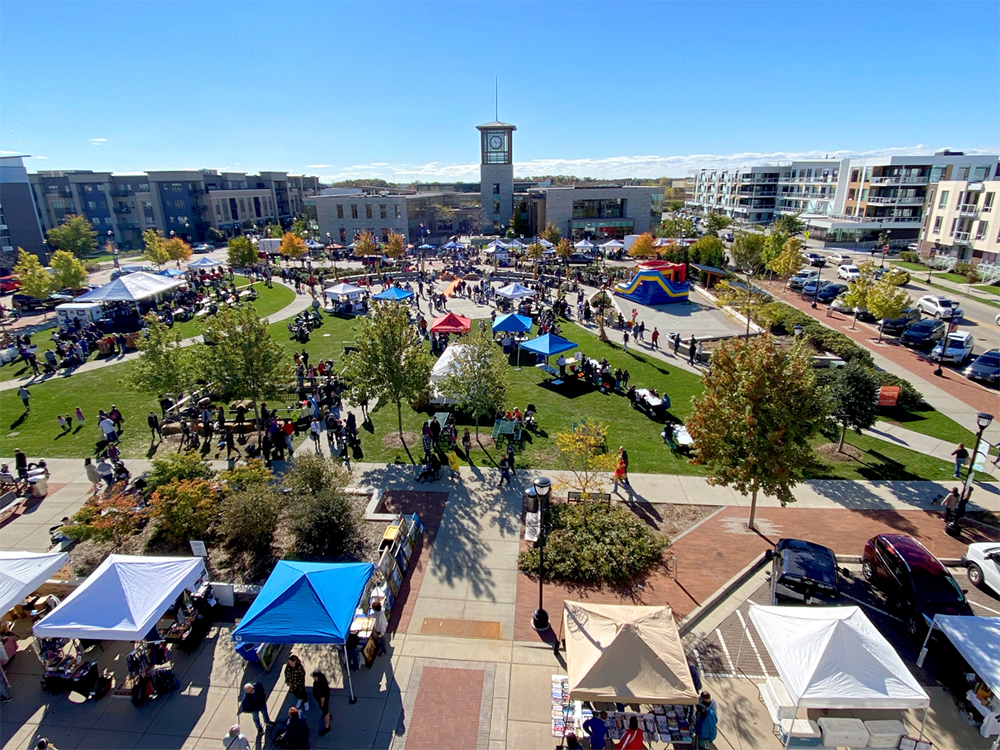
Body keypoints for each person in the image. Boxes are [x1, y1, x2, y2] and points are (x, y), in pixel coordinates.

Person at [311, 669, 332, 736]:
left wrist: (321, 704)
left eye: (314, 676)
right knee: (325, 711)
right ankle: (327, 715)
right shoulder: (321, 678)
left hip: (323, 701)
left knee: (325, 712)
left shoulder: (321, 685)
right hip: (324, 698)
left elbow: (322, 697)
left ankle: (327, 727)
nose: (313, 677)